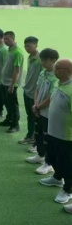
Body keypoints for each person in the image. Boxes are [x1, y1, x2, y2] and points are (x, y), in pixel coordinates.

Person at [38, 59, 72, 210]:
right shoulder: (58, 84)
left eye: (58, 68)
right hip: (53, 132)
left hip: (66, 136)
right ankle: (57, 178)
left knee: (67, 164)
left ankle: (67, 190)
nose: (55, 69)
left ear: (67, 70)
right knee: (53, 157)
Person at [25, 48, 58, 175]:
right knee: (38, 134)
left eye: (45, 61)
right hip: (39, 109)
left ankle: (48, 164)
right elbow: (37, 90)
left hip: (48, 113)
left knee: (47, 138)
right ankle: (40, 155)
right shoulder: (43, 73)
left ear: (53, 60)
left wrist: (38, 106)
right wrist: (35, 105)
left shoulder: (56, 76)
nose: (43, 63)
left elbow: (51, 97)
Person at [0, 31, 24, 133]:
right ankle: (9, 119)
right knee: (6, 102)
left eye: (7, 39)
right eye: (4, 39)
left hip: (11, 84)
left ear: (13, 39)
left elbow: (16, 71)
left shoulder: (17, 52)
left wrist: (12, 85)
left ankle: (15, 125)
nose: (5, 41)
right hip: (4, 82)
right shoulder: (10, 49)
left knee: (13, 105)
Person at [19, 37, 42, 144]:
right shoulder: (29, 57)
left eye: (29, 45)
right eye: (26, 46)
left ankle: (35, 139)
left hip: (35, 93)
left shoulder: (41, 59)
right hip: (27, 90)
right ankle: (30, 135)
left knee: (36, 117)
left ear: (36, 45)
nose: (27, 48)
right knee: (29, 115)